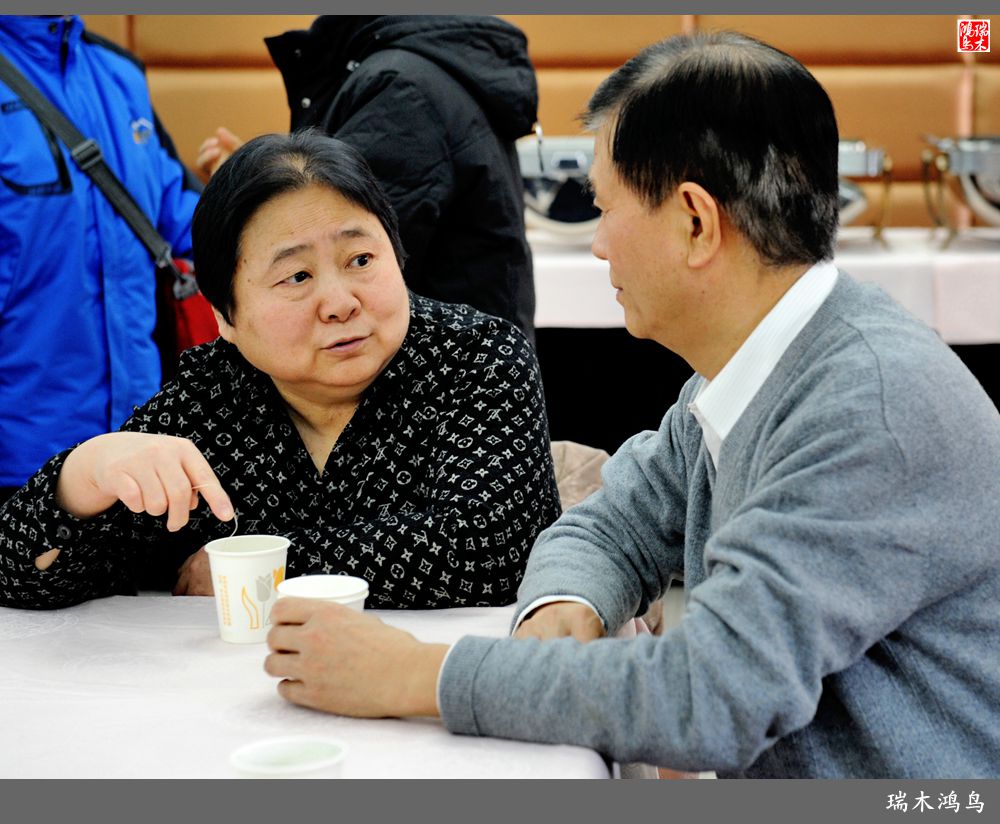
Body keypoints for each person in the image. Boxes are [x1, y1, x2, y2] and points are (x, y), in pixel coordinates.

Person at [260, 33, 1000, 778]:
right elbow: (611, 522)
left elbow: (711, 695)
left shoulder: (870, 410)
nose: (598, 246)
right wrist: (563, 606)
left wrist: (414, 676)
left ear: (695, 222)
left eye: (606, 208)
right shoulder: (742, 372)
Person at [0, 131, 560, 611]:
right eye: (296, 277)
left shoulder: (476, 357)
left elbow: (492, 553)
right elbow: (24, 574)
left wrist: (261, 571)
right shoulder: (210, 397)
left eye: (361, 260)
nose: (339, 302)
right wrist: (80, 479)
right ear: (225, 316)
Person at [196, 15, 538, 342]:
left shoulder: (400, 87)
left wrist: (245, 199)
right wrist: (266, 180)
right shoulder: (418, 63)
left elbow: (350, 244)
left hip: (434, 376)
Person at [0, 15, 202, 503]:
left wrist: (263, 193)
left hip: (136, 460)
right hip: (19, 465)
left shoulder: (120, 73)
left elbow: (180, 218)